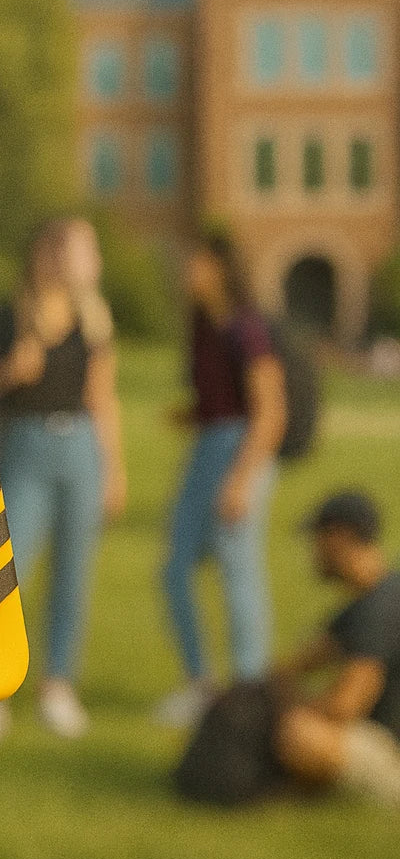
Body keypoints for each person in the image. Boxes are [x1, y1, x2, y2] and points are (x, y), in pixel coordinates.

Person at [0, 217, 127, 745]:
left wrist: (114, 469)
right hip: (26, 444)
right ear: (49, 257)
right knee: (8, 569)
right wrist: (12, 373)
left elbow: (102, 398)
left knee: (73, 572)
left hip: (79, 446)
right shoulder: (7, 318)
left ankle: (58, 686)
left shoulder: (92, 322)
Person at [156, 232, 287, 727]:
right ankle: (202, 686)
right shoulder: (202, 326)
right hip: (209, 446)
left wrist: (240, 481)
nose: (185, 268)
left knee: (239, 571)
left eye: (194, 259)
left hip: (241, 453)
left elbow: (270, 413)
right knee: (175, 571)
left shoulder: (246, 329)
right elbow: (220, 397)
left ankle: (251, 693)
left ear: (217, 267)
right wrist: (195, 415)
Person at [275, 491, 400, 808]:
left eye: (317, 538)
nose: (313, 552)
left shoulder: (377, 610)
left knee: (300, 737)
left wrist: (286, 711)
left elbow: (348, 703)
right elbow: (302, 662)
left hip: (392, 753)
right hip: (381, 736)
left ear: (340, 538)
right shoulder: (376, 595)